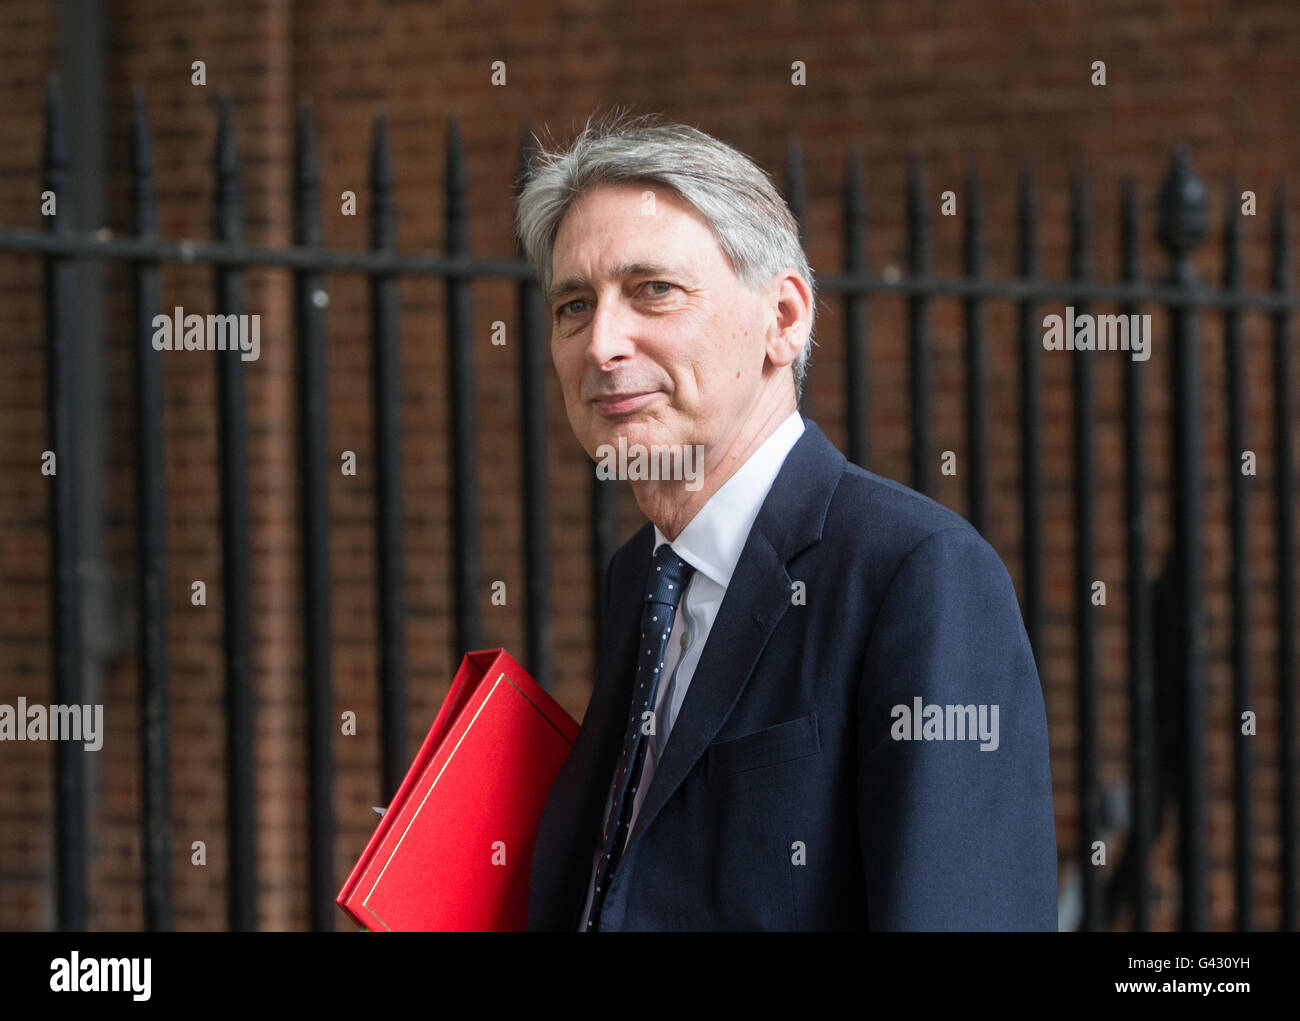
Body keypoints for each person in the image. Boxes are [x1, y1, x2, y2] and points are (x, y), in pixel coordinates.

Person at [513, 111, 1058, 930]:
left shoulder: (918, 572)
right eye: (573, 306)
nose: (602, 343)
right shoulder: (642, 577)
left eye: (652, 289)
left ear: (784, 318)